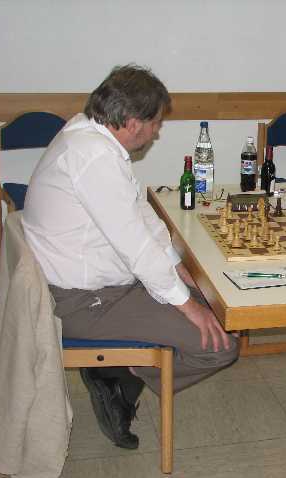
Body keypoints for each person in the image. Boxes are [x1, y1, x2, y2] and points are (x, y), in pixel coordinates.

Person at [22, 64, 239, 449]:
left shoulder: (89, 135)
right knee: (221, 346)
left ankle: (120, 371)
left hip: (102, 287)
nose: (157, 132)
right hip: (83, 303)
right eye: (156, 123)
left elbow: (140, 216)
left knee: (222, 307)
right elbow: (136, 249)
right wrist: (189, 306)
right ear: (134, 122)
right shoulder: (93, 157)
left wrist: (179, 269)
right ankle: (120, 378)